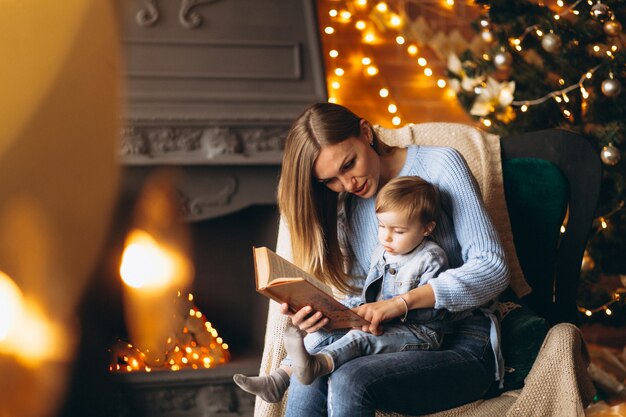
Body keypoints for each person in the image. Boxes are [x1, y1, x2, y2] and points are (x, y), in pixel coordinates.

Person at [269, 103, 509, 417]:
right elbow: (365, 296)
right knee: (310, 369)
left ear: (366, 133)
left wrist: (402, 303)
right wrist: (328, 316)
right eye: (331, 180)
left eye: (349, 164)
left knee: (349, 379)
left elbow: (492, 266)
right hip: (392, 338)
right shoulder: (350, 209)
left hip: (464, 339)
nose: (348, 184)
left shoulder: (441, 165)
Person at [234, 176, 450, 401]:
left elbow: (430, 311)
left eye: (398, 231)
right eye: (381, 226)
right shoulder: (383, 251)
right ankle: (278, 379)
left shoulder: (431, 258)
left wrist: (382, 315)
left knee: (358, 338)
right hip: (380, 323)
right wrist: (340, 312)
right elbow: (370, 293)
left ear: (427, 228)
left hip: (420, 334)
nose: (385, 236)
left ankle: (318, 364)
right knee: (324, 329)